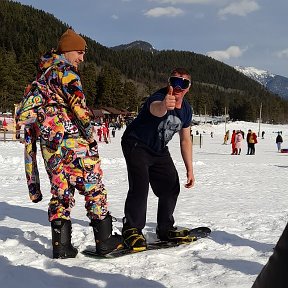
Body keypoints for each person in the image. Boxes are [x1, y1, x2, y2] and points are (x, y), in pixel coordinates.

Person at [16, 28, 122, 258]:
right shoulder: (67, 73)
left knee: (61, 192)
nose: (82, 58)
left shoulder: (43, 76)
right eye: (81, 52)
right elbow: (80, 110)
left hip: (50, 145)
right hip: (73, 142)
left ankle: (61, 246)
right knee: (93, 187)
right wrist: (91, 137)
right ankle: (105, 240)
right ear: (69, 50)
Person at [121, 67, 195, 251]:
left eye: (183, 83)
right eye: (174, 81)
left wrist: (190, 169)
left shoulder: (186, 110)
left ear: (188, 87)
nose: (178, 87)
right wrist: (164, 105)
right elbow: (156, 110)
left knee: (171, 185)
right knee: (140, 185)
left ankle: (165, 227)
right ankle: (132, 228)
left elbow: (185, 139)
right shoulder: (158, 97)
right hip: (136, 143)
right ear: (168, 83)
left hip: (158, 149)